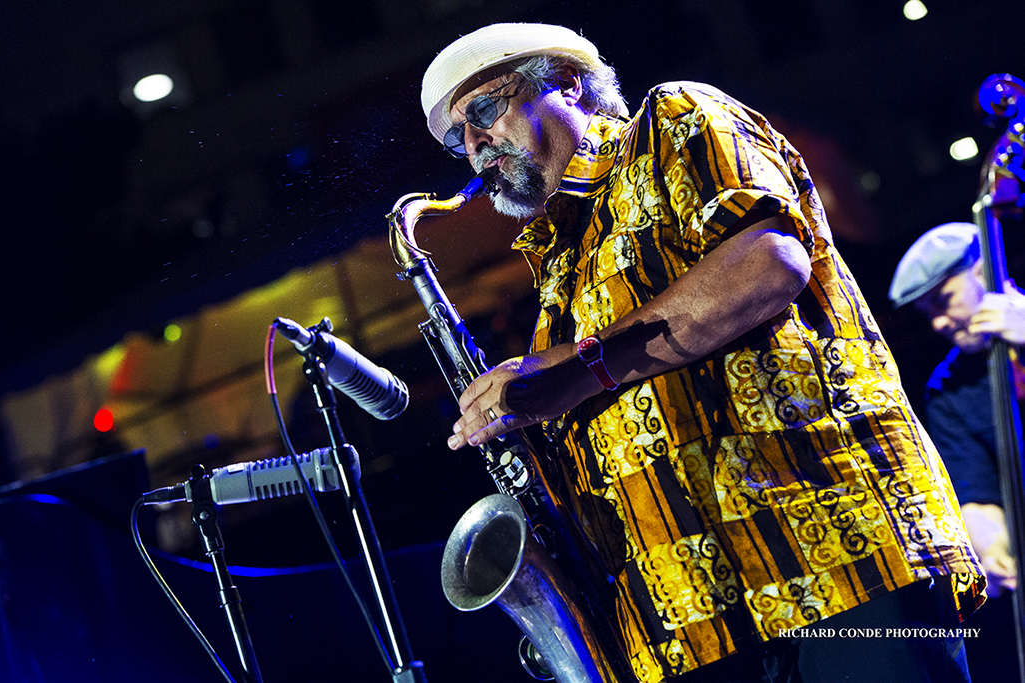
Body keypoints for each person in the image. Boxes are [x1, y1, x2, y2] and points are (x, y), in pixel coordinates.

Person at [420, 23, 984, 682]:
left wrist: (581, 367)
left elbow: (768, 265)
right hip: (697, 624)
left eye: (484, 110)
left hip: (839, 561)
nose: (475, 144)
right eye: (460, 136)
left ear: (566, 83)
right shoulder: (555, 264)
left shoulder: (672, 121)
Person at [890, 221, 1022, 682]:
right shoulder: (947, 389)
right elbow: (974, 488)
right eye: (929, 314)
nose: (940, 323)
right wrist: (992, 545)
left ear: (983, 272)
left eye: (944, 302)